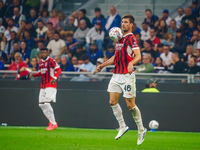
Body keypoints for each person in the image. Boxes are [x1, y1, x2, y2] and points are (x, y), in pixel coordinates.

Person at [96, 15, 147, 145]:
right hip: (116, 74)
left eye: (126, 22)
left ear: (131, 25)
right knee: (112, 102)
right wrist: (102, 65)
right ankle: (123, 126)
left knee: (130, 105)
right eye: (122, 22)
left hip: (127, 76)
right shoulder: (119, 39)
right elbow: (115, 57)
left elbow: (138, 56)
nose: (123, 24)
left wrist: (131, 63)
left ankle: (141, 129)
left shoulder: (131, 38)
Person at [30, 47, 62, 131]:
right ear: (40, 54)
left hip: (51, 85)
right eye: (42, 53)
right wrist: (34, 75)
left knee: (47, 103)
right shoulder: (40, 62)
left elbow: (59, 70)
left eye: (45, 52)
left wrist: (55, 77)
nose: (44, 54)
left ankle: (54, 123)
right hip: (43, 86)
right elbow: (41, 72)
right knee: (41, 104)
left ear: (47, 53)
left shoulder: (51, 60)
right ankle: (51, 122)